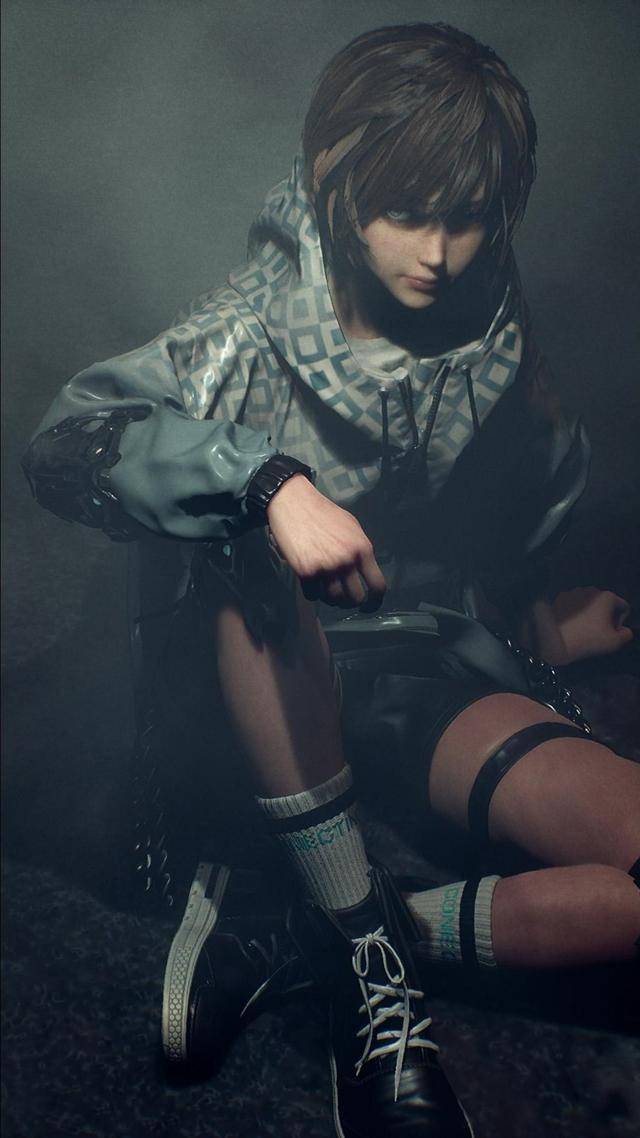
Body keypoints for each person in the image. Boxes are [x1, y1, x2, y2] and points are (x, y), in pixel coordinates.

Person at [23, 22, 639, 1138]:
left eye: (467, 217)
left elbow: (528, 491)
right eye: (407, 212)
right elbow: (69, 441)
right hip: (249, 688)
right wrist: (268, 482)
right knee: (248, 559)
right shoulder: (248, 332)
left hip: (413, 671)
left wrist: (545, 625)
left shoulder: (491, 328)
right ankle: (368, 965)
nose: (438, 254)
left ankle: (361, 925)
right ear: (331, 177)